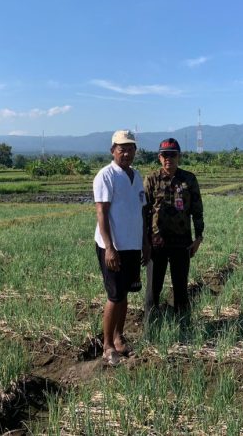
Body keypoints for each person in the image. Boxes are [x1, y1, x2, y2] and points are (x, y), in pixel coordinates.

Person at [93, 130, 150, 365]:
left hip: (132, 246)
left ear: (135, 151)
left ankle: (118, 337)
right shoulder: (105, 176)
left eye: (130, 148)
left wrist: (145, 243)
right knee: (114, 296)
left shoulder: (136, 176)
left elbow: (142, 213)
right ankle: (107, 345)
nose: (126, 153)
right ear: (112, 150)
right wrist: (109, 247)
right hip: (113, 247)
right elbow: (102, 214)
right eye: (121, 148)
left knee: (125, 294)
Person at [144, 138, 204, 319]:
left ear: (179, 156)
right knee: (153, 287)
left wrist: (199, 238)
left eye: (173, 154)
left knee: (180, 286)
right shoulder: (151, 179)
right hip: (157, 243)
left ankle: (183, 324)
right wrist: (144, 241)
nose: (168, 158)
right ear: (159, 157)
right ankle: (151, 324)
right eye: (165, 155)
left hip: (182, 242)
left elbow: (197, 210)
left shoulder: (189, 179)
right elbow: (143, 211)